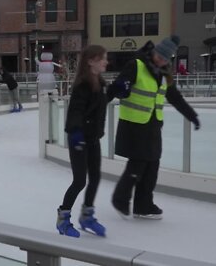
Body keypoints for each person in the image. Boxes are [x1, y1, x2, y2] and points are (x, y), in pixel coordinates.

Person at [109, 35, 200, 220]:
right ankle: (120, 199)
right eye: (160, 56)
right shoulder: (136, 65)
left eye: (166, 58)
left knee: (152, 165)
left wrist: (192, 116)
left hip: (152, 125)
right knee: (138, 164)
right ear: (154, 52)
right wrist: (117, 91)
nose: (161, 60)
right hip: (134, 124)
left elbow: (174, 97)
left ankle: (143, 205)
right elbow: (118, 85)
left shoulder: (166, 74)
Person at [56, 45, 109, 238]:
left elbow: (99, 105)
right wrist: (76, 132)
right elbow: (76, 110)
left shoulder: (100, 83)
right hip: (79, 138)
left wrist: (119, 89)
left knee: (95, 178)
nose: (106, 61)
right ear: (90, 61)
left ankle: (87, 216)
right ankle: (63, 219)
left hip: (93, 138)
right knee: (79, 181)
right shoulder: (83, 85)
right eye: (102, 58)